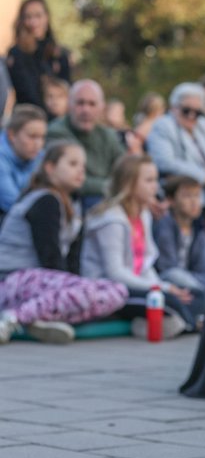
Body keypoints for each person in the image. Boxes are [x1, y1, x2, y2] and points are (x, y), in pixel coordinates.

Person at [0, 142, 127, 344]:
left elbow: (73, 264)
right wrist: (79, 291)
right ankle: (12, 318)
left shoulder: (74, 205)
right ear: (50, 167)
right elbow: (50, 259)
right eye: (73, 164)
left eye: (83, 166)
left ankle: (40, 318)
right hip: (12, 282)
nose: (80, 171)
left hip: (41, 285)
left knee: (117, 291)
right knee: (87, 292)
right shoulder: (45, 201)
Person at [81, 153, 199, 336]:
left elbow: (145, 264)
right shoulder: (111, 219)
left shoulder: (143, 214)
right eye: (149, 180)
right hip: (108, 290)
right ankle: (187, 324)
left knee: (192, 295)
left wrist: (159, 285)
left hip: (135, 286)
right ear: (129, 183)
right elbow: (115, 273)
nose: (156, 186)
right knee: (169, 300)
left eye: (156, 179)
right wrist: (162, 288)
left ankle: (182, 323)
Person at [146, 83, 205, 224]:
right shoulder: (163, 126)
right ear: (174, 108)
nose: (192, 116)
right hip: (190, 188)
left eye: (197, 112)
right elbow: (165, 162)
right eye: (186, 110)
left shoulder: (202, 125)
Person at [47, 80, 125, 210]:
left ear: (101, 108)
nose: (86, 110)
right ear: (69, 105)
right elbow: (71, 181)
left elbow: (125, 170)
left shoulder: (108, 135)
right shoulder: (57, 132)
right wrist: (112, 186)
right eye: (80, 103)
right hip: (73, 202)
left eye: (92, 104)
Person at [153, 175, 205, 308]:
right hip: (168, 279)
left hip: (194, 280)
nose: (194, 202)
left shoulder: (199, 227)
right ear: (171, 201)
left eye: (197, 196)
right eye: (187, 196)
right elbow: (167, 268)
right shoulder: (165, 225)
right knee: (175, 275)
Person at [6, 0, 72, 111]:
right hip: (30, 115)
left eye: (38, 16)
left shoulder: (59, 53)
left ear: (46, 17)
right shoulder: (17, 53)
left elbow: (66, 87)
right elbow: (26, 92)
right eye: (28, 17)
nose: (33, 22)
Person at [0, 105, 47, 218]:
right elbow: (12, 204)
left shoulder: (40, 156)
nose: (38, 144)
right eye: (32, 136)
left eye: (42, 137)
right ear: (12, 135)